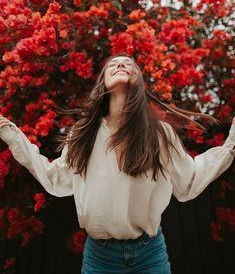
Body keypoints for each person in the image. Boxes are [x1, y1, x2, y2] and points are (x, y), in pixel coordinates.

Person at [0, 54, 234, 274]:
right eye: (113, 64)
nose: (120, 65)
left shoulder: (159, 133)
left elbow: (189, 180)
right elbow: (55, 178)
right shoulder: (83, 133)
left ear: (139, 82)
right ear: (102, 83)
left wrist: (231, 143)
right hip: (99, 257)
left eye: (128, 64)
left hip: (149, 254)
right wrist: (10, 133)